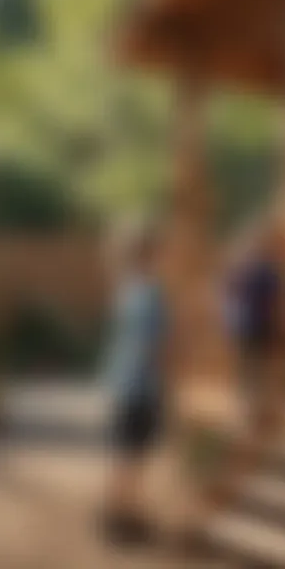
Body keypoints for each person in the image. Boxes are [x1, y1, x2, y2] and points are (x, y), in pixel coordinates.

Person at [100, 219, 169, 545]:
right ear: (150, 253)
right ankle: (121, 517)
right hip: (141, 385)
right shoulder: (150, 293)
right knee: (133, 454)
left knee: (124, 452)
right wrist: (166, 383)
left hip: (122, 381)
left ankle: (120, 513)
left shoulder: (126, 288)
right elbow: (151, 345)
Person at [223, 222, 281, 433]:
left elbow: (229, 291)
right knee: (256, 369)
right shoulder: (266, 269)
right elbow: (275, 294)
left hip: (243, 324)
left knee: (246, 369)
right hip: (259, 325)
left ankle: (246, 411)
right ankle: (253, 414)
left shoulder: (241, 266)